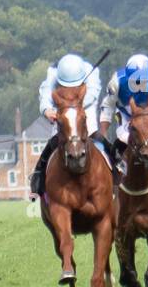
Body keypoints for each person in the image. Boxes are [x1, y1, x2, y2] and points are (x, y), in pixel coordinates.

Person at [29, 53, 101, 198]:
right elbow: (45, 94)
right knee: (52, 143)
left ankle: (116, 166)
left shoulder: (91, 70)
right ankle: (39, 176)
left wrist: (72, 105)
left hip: (84, 113)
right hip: (64, 116)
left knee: (100, 140)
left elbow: (92, 94)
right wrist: (46, 110)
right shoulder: (53, 73)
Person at [98, 54, 148, 169]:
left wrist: (145, 128)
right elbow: (108, 105)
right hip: (126, 116)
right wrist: (103, 132)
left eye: (143, 81)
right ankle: (113, 170)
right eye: (135, 81)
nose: (139, 85)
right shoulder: (116, 82)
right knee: (123, 137)